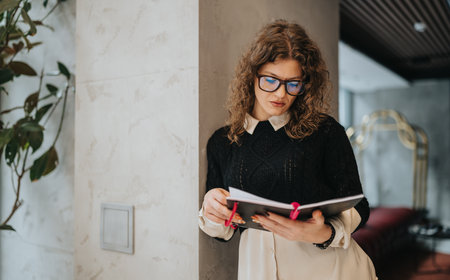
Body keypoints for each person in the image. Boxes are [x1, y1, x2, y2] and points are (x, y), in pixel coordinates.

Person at [198, 19, 377, 280]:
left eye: (294, 83)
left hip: (329, 269)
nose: (281, 94)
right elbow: (222, 233)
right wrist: (211, 208)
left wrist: (323, 233)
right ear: (251, 76)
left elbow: (359, 206)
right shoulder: (222, 142)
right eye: (270, 80)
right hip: (258, 270)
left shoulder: (325, 131)